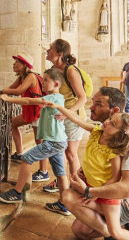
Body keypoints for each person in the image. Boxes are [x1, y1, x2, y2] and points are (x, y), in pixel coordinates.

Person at [63, 87, 129, 240]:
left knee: (72, 200)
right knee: (80, 230)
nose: (91, 107)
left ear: (115, 110)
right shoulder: (103, 133)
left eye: (98, 104)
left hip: (128, 203)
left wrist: (89, 192)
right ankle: (125, 228)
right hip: (108, 194)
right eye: (93, 102)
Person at [47, 100, 129, 240]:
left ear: (120, 134)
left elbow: (115, 178)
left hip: (107, 193)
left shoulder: (113, 151)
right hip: (91, 187)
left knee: (115, 231)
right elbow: (77, 119)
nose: (107, 122)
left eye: (113, 124)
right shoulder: (96, 131)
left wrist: (97, 194)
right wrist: (59, 107)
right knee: (68, 197)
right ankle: (119, 229)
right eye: (110, 119)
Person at [0, 68, 70, 215]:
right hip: (59, 141)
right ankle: (64, 204)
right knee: (60, 173)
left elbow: (29, 100)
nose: (42, 82)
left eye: (46, 80)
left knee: (27, 158)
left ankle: (16, 193)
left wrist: (8, 98)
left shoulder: (52, 99)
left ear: (56, 84)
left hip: (53, 142)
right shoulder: (59, 97)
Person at [42, 39, 86, 194]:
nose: (48, 50)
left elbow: (82, 97)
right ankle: (62, 182)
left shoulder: (70, 71)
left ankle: (77, 188)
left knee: (70, 154)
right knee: (59, 151)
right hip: (59, 116)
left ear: (60, 53)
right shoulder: (54, 69)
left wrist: (68, 113)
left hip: (72, 117)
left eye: (51, 48)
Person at [0, 54, 44, 168]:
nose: (13, 64)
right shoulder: (21, 77)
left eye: (16, 62)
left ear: (24, 65)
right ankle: (19, 153)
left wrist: (3, 91)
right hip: (29, 110)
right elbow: (12, 88)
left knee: (39, 142)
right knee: (13, 123)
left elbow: (18, 91)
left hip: (37, 111)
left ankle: (43, 171)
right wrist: (3, 93)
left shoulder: (31, 76)